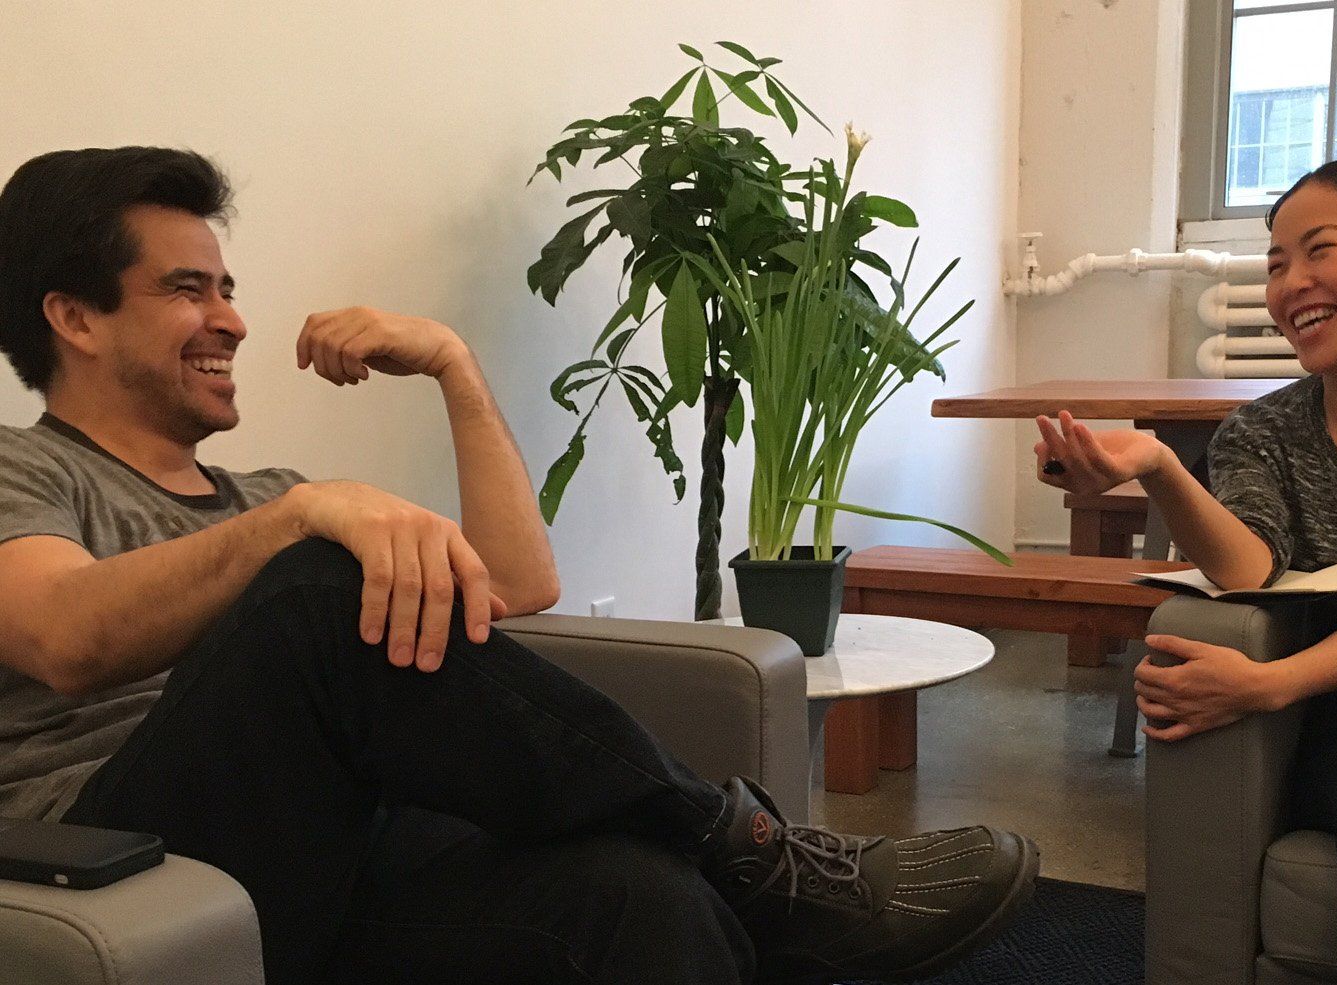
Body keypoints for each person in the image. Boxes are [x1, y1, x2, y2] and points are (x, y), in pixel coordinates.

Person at [0, 146, 1040, 985]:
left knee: (634, 892)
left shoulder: (263, 492)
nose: (230, 317)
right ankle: (750, 847)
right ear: (75, 315)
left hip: (335, 848)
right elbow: (63, 635)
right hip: (114, 857)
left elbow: (513, 587)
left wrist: (454, 364)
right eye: (187, 289)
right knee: (321, 585)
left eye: (228, 287)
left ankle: (730, 870)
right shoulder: (25, 467)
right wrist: (302, 522)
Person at [1032, 153, 1337, 985]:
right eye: (1274, 264)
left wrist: (1272, 682)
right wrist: (1157, 463)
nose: (1291, 282)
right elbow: (1250, 562)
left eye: (1319, 249)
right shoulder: (1266, 432)